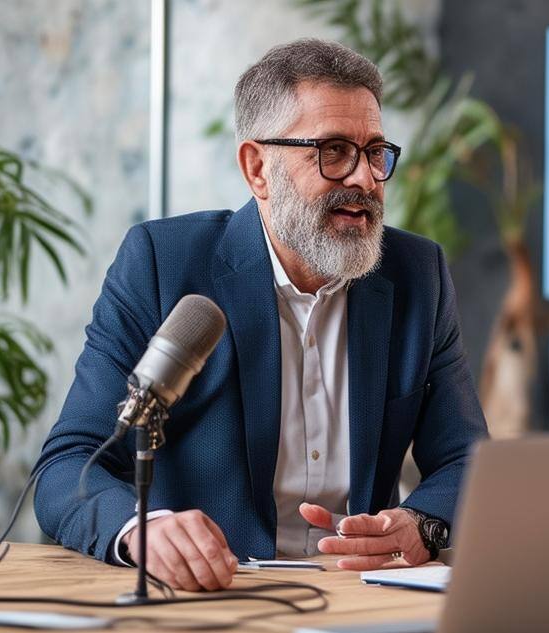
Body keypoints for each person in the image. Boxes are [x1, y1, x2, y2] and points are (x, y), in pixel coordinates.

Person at [34, 39, 488, 591]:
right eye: (334, 151)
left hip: (366, 595)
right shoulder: (163, 264)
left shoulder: (418, 274)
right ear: (258, 168)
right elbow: (70, 464)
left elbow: (467, 460)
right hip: (217, 597)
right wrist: (142, 529)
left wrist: (424, 523)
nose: (365, 180)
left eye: (374, 152)